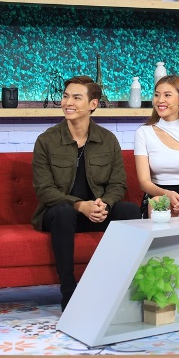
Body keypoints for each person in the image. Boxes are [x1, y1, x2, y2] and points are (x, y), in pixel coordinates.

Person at [31, 76, 140, 311]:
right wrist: (80, 205)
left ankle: (118, 289)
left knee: (130, 211)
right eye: (65, 96)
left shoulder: (107, 140)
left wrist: (105, 205)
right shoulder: (46, 141)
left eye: (76, 98)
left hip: (96, 213)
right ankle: (69, 293)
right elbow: (44, 191)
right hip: (60, 214)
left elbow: (118, 184)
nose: (68, 103)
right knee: (63, 212)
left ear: (93, 104)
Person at [134, 75, 179, 218]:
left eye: (167, 95)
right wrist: (167, 194)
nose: (160, 100)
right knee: (159, 204)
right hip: (155, 195)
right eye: (157, 95)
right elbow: (144, 182)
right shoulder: (143, 132)